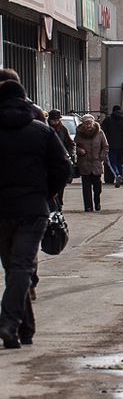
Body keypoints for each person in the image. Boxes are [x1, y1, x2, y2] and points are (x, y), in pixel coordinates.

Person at [0, 80, 71, 349]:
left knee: (14, 268)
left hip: (2, 210)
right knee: (21, 267)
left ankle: (18, 328)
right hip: (33, 209)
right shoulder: (41, 131)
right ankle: (13, 325)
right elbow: (64, 168)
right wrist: (46, 193)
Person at [75, 114, 109, 212]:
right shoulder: (79, 134)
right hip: (84, 164)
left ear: (93, 123)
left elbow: (105, 146)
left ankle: (97, 202)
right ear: (83, 124)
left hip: (96, 164)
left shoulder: (100, 133)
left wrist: (101, 157)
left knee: (97, 187)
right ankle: (88, 206)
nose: (88, 125)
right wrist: (79, 150)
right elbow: (74, 146)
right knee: (86, 188)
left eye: (90, 123)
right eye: (86, 123)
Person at [47, 109, 76, 206]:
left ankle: (59, 200)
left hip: (60, 158)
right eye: (53, 120)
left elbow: (69, 143)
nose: (55, 122)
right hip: (48, 159)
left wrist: (70, 154)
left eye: (57, 120)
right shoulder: (45, 128)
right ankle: (52, 201)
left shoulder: (63, 129)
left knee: (61, 181)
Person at [100, 105, 123, 187]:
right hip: (121, 146)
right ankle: (120, 176)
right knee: (119, 162)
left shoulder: (108, 120)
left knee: (112, 162)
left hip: (110, 145)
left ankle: (117, 175)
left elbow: (102, 132)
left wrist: (101, 144)